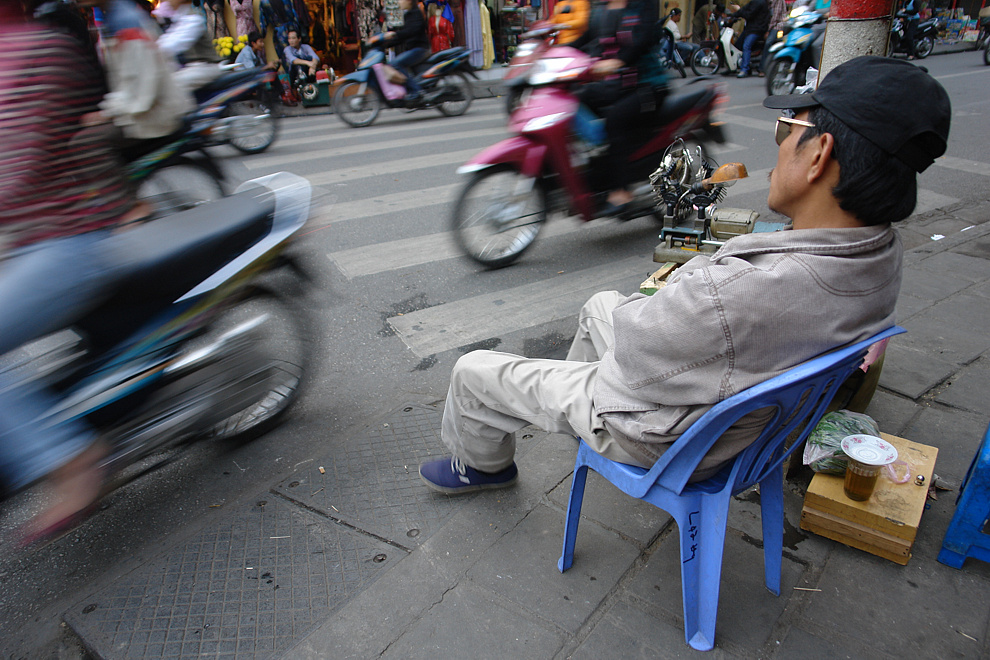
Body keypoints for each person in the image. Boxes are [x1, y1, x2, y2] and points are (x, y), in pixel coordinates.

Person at [417, 56, 950, 495]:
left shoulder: (738, 292)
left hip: (671, 435)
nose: (780, 142)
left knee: (473, 369)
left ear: (820, 156)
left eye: (789, 129)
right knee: (601, 302)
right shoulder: (879, 251)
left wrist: (682, 286)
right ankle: (577, 417)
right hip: (738, 418)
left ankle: (486, 466)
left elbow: (635, 351)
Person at [0, 0, 147, 545]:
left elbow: (22, 161)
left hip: (68, 241)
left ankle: (74, 460)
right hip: (31, 241)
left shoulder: (37, 50)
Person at [569, 0, 667, 215]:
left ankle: (622, 190)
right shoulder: (601, 8)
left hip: (648, 85)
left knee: (615, 120)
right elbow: (586, 38)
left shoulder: (642, 5)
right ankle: (596, 172)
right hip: (616, 84)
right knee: (571, 103)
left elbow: (644, 39)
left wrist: (618, 62)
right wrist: (554, 52)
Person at [77, 0, 193, 140]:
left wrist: (109, 112)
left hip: (152, 117)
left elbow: (141, 88)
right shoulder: (112, 19)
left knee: (84, 142)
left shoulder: (126, 21)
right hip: (139, 112)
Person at [157, 0, 224, 91]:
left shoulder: (193, 18)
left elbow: (174, 44)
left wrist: (153, 50)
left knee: (172, 86)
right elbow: (167, 39)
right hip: (193, 67)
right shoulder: (179, 17)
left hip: (205, 67)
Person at [372, 0, 429, 101]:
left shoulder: (415, 13)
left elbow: (409, 32)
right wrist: (386, 44)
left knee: (395, 63)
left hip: (419, 49)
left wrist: (394, 35)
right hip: (412, 48)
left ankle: (416, 91)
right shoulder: (408, 14)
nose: (399, 2)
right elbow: (402, 36)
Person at [725, 0, 770, 77]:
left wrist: (738, 13)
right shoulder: (754, 2)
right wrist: (734, 14)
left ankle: (744, 69)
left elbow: (749, 14)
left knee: (746, 46)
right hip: (750, 29)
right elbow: (745, 9)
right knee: (737, 46)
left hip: (756, 30)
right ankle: (734, 67)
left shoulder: (760, 2)